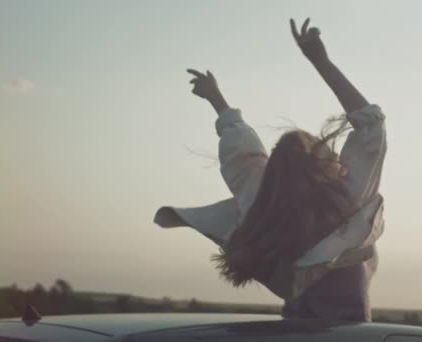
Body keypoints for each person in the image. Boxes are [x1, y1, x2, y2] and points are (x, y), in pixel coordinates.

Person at [154, 18, 387, 322]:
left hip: (292, 331)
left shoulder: (264, 210)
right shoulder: (346, 208)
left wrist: (217, 99)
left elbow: (244, 158)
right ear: (322, 167)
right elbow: (371, 126)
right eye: (328, 152)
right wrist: (321, 61)